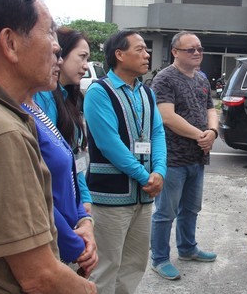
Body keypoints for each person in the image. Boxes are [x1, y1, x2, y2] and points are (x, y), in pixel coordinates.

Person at [0, 0, 96, 293]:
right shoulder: (0, 133)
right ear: (10, 43)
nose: (57, 45)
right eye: (48, 32)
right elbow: (40, 277)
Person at [84, 30, 167, 294]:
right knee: (106, 265)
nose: (147, 54)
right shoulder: (99, 92)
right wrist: (146, 177)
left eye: (146, 49)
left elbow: (157, 133)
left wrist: (160, 171)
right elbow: (110, 145)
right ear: (119, 55)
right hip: (110, 196)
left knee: (134, 263)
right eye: (140, 49)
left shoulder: (145, 92)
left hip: (143, 198)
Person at [150, 31, 218, 280]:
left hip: (197, 157)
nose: (197, 53)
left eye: (199, 48)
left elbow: (211, 107)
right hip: (172, 158)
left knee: (191, 208)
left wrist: (212, 131)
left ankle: (188, 248)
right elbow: (166, 116)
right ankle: (159, 258)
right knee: (165, 212)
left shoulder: (201, 78)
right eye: (191, 49)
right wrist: (201, 136)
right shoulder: (165, 79)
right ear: (175, 52)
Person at [22, 70, 98, 276]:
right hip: (52, 243)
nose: (59, 60)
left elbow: (69, 167)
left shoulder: (34, 106)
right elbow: (35, 195)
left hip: (67, 233)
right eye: (54, 51)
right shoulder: (13, 116)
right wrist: (75, 245)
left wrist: (84, 220)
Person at [35, 27, 93, 213]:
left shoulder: (68, 97)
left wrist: (84, 198)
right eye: (82, 57)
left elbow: (73, 155)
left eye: (88, 59)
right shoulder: (43, 98)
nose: (86, 65)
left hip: (70, 202)